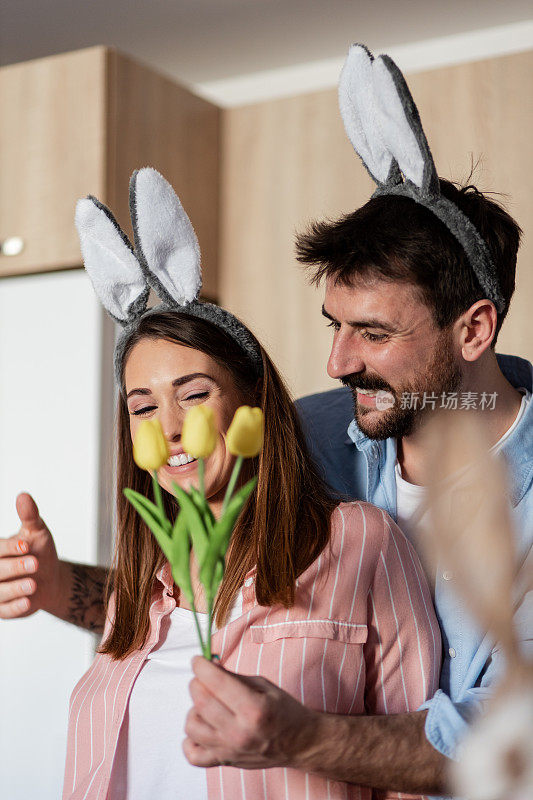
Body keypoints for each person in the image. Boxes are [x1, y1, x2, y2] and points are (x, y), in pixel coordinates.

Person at [6, 167, 440, 800]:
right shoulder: (140, 584)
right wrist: (51, 584)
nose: (174, 428)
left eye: (195, 394)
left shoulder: (359, 541)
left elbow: (418, 766)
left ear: (251, 407)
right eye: (144, 407)